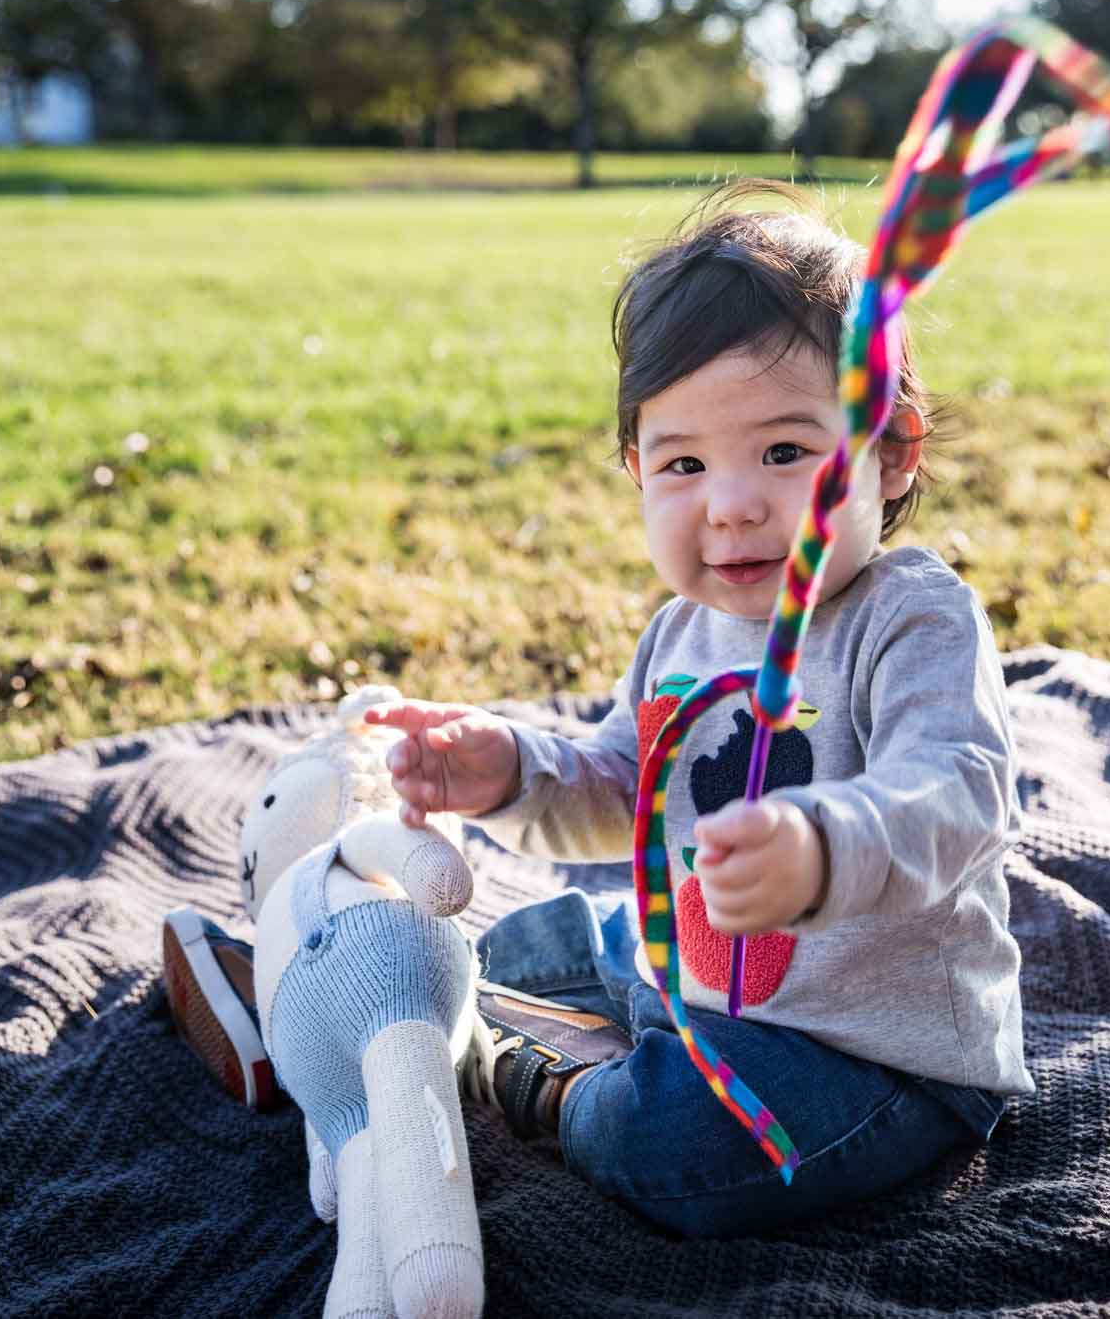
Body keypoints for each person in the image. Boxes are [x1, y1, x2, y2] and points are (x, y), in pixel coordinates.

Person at [167, 181, 1032, 1238]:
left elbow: (961, 790)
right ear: (634, 470)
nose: (730, 502)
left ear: (888, 452)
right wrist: (514, 771)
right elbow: (618, 790)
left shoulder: (908, 617)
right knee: (537, 936)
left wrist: (821, 846)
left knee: (668, 1140)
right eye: (682, 463)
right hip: (687, 977)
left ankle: (503, 1068)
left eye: (784, 451)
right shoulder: (681, 632)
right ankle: (347, 977)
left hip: (872, 1058)